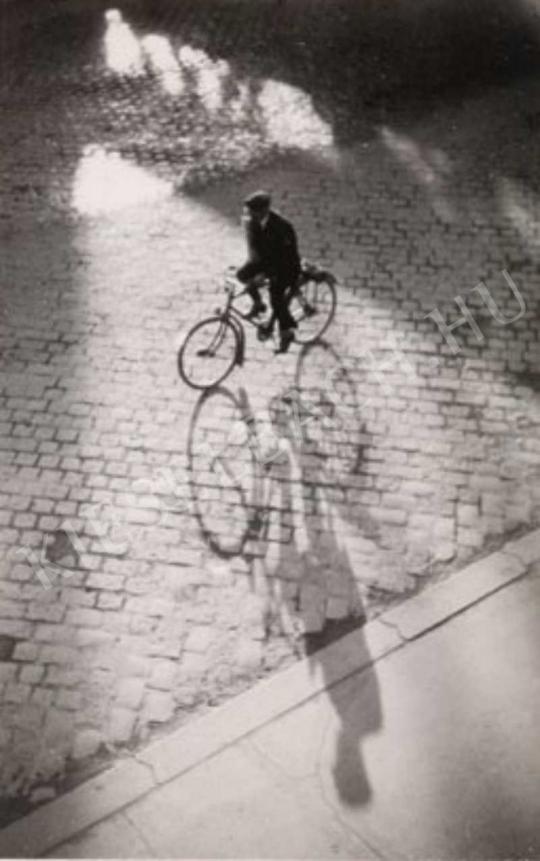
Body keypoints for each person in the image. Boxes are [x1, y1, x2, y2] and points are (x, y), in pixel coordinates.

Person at [236, 191, 301, 353]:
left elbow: (285, 258)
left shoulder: (282, 227)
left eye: (252, 212)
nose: (248, 215)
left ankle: (287, 331)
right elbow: (257, 250)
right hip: (266, 261)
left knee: (276, 297)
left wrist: (265, 275)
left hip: (285, 267)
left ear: (263, 211)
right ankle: (258, 303)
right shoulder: (254, 222)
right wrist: (253, 269)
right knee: (242, 275)